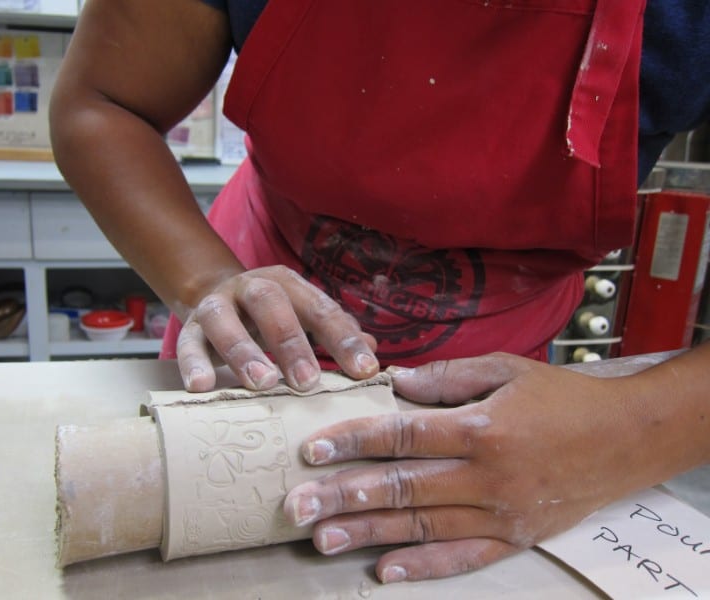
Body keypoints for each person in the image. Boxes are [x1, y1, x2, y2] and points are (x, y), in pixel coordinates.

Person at [50, 0, 710, 585]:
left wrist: (626, 435)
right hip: (252, 325)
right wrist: (207, 281)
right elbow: (105, 102)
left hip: (501, 394)